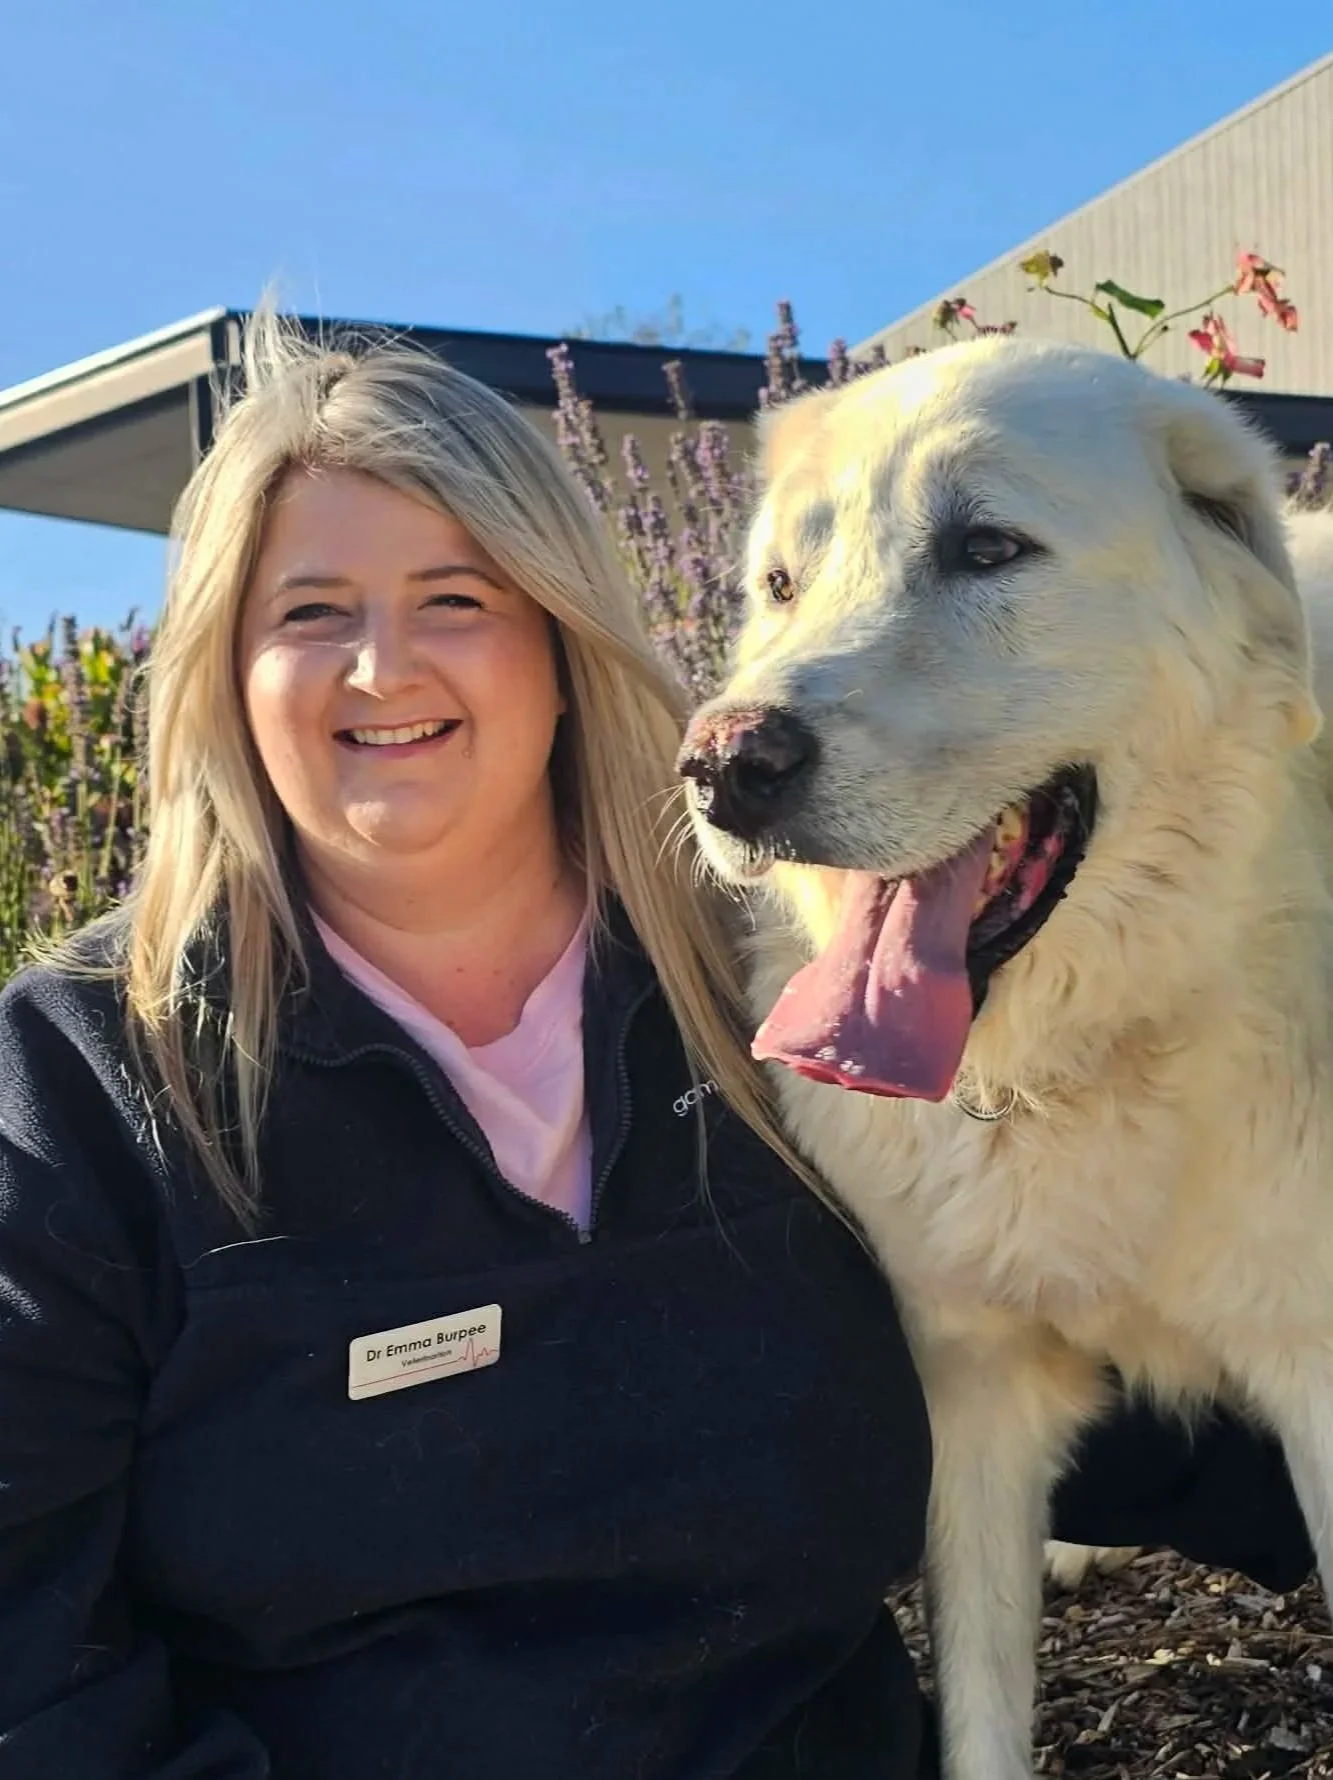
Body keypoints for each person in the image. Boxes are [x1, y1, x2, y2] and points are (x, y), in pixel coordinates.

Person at [0, 316, 1311, 1780]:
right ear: (221, 675)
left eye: (455, 599)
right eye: (308, 612)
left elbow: (1066, 1337)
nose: (381, 667)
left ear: (562, 644)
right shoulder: (78, 1093)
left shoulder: (778, 999)